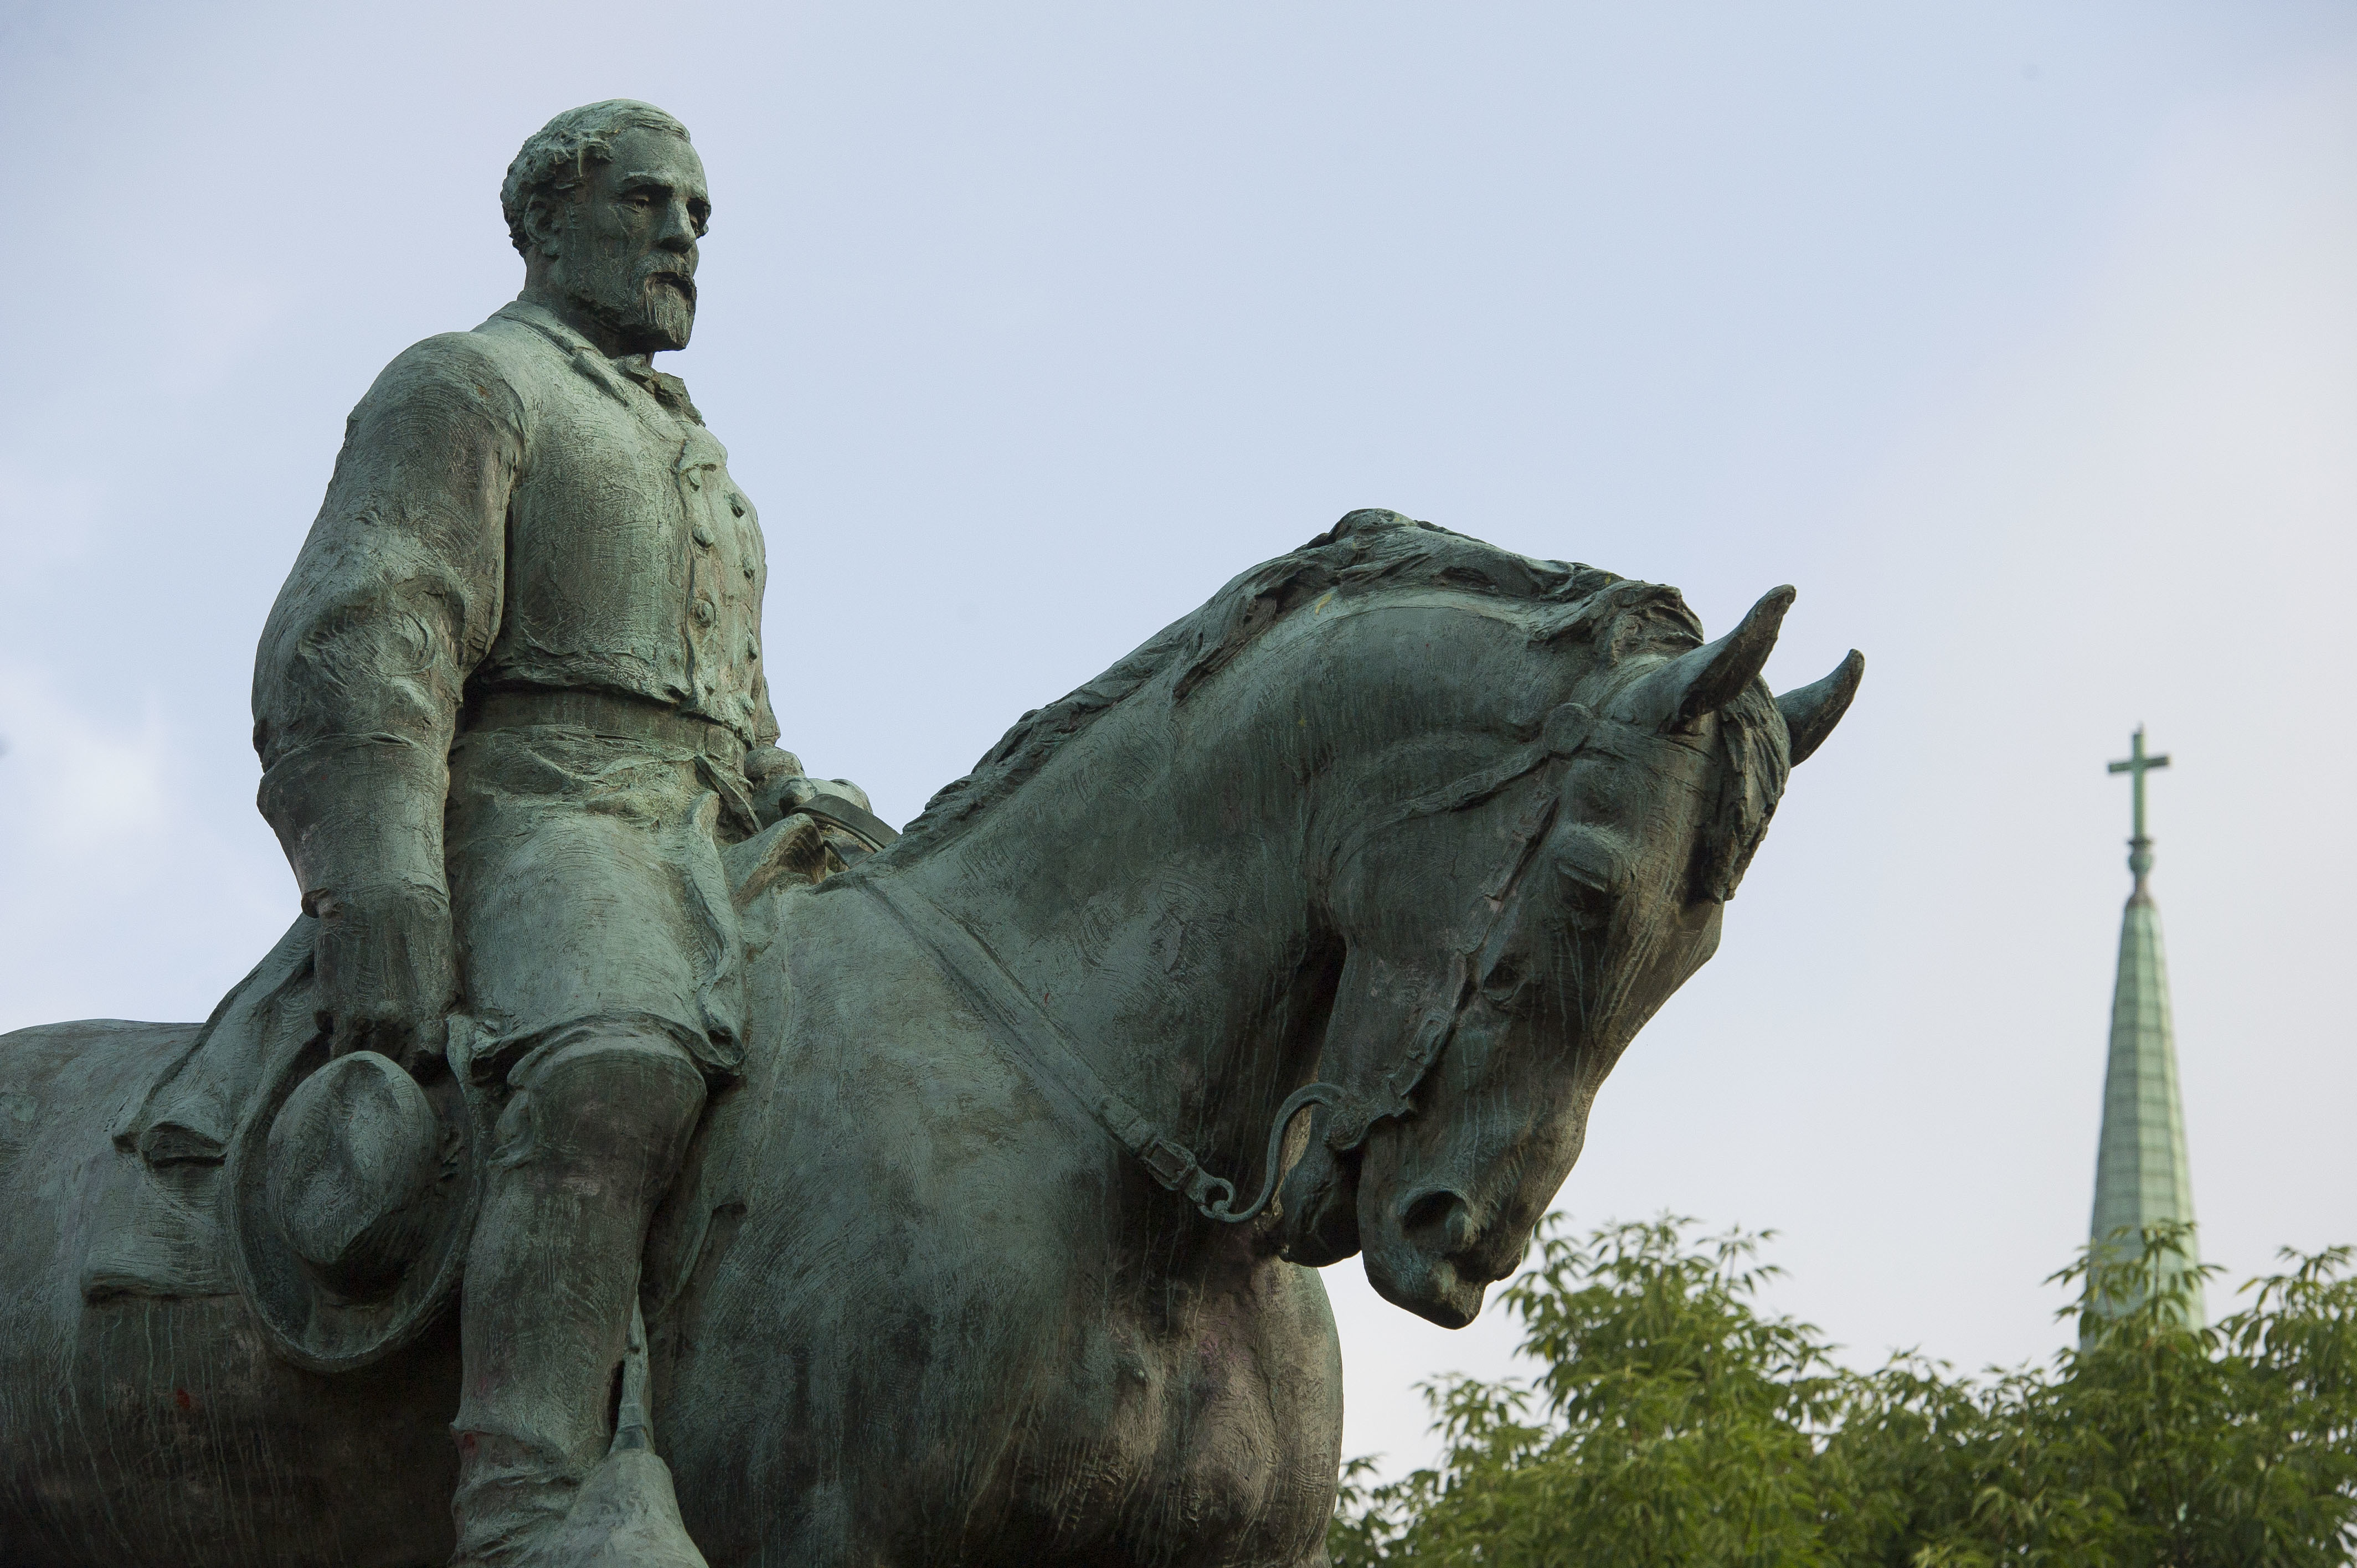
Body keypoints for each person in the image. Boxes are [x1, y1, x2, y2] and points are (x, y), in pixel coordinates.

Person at [251, 99, 812, 1566]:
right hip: (539, 814)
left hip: (702, 832)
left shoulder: (701, 459)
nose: (684, 234)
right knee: (615, 1061)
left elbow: (732, 705)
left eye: (698, 214)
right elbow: (367, 637)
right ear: (548, 222)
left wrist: (791, 781)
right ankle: (531, 1498)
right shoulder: (471, 384)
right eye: (649, 202)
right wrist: (378, 873)